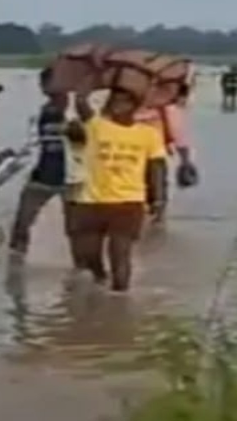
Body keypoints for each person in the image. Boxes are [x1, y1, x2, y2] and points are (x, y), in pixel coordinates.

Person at [65, 89, 168, 293]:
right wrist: (88, 84)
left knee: (120, 254)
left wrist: (158, 199)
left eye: (122, 103)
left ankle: (120, 298)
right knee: (88, 254)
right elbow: (81, 104)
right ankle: (100, 280)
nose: (115, 107)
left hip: (128, 203)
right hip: (91, 201)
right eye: (112, 103)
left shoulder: (148, 134)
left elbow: (157, 167)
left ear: (134, 107)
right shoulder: (96, 126)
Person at [8, 67, 77, 259]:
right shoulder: (41, 112)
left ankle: (82, 267)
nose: (45, 88)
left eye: (49, 83)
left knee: (77, 228)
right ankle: (15, 265)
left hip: (72, 177)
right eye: (43, 84)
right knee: (22, 223)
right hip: (42, 174)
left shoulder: (78, 112)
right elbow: (32, 145)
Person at [132, 82, 198, 223]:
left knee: (145, 183)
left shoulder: (131, 102)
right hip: (152, 151)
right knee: (156, 182)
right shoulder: (167, 107)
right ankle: (157, 214)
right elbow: (177, 133)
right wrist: (185, 159)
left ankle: (150, 212)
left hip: (133, 150)